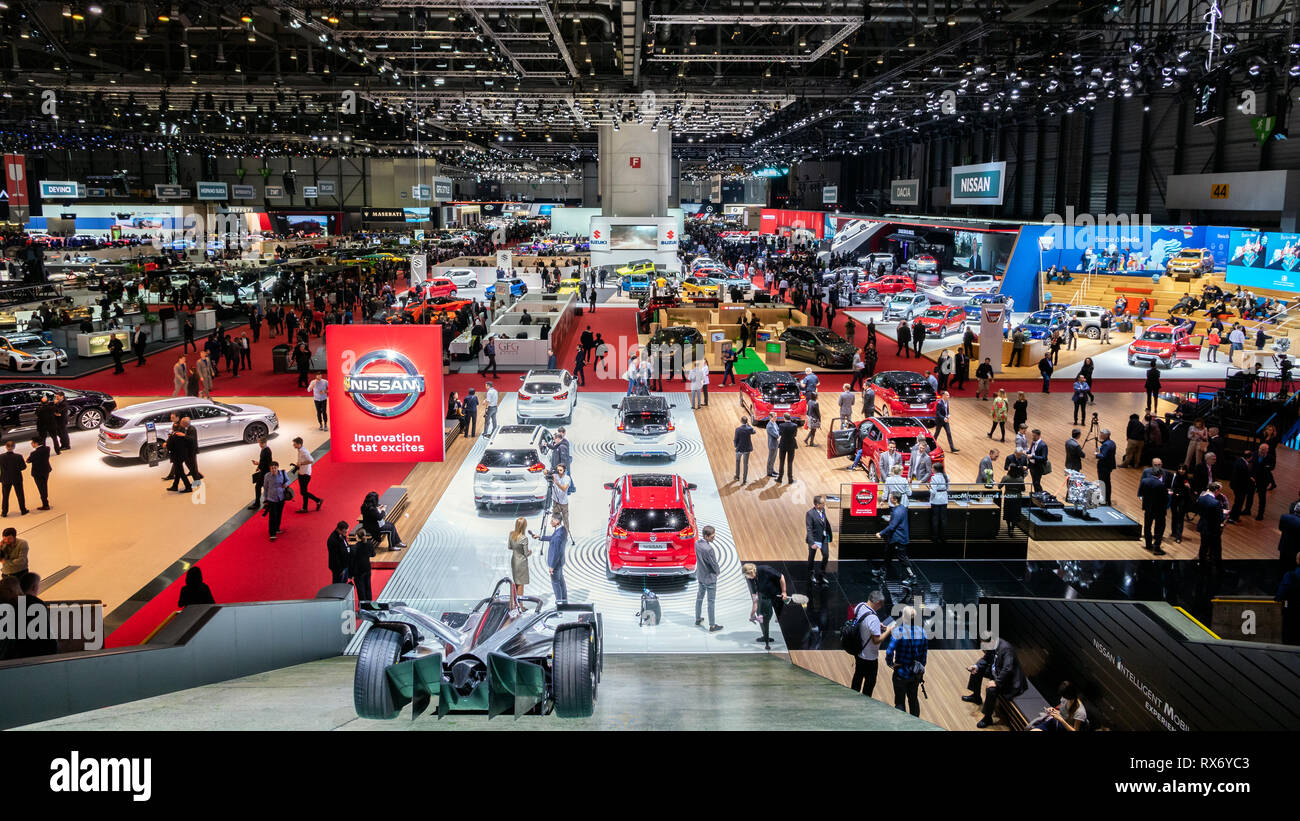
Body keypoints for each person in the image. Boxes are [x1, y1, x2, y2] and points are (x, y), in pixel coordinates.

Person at [962, 638, 1028, 728]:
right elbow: (986, 658)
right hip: (997, 671)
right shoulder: (992, 645)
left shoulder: (1006, 649)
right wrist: (976, 666)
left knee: (991, 689)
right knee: (976, 670)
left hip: (1009, 680)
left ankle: (987, 718)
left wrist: (996, 682)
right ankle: (976, 696)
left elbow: (1008, 669)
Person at [885, 605, 929, 717]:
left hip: (901, 673)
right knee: (913, 699)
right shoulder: (923, 632)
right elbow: (924, 655)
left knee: (900, 702)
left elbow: (889, 651)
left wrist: (890, 663)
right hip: (914, 674)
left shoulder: (898, 631)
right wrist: (919, 667)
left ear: (904, 617)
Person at [849, 591, 893, 696]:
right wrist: (888, 631)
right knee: (870, 683)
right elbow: (876, 640)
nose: (881, 606)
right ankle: (866, 704)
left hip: (858, 650)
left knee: (857, 678)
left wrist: (878, 625)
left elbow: (862, 622)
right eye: (881, 604)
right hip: (869, 657)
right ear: (877, 602)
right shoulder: (873, 618)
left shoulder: (860, 606)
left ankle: (852, 699)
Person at [743, 562, 789, 649]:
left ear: (752, 572)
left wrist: (784, 591)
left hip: (777, 593)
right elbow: (754, 594)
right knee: (764, 617)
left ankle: (777, 618)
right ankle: (765, 636)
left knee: (778, 612)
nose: (747, 578)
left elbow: (781, 577)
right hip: (764, 595)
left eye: (747, 576)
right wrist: (754, 607)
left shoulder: (765, 569)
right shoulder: (750, 578)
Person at [530, 512, 568, 603]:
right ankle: (564, 601)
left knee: (556, 584)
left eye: (552, 520)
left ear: (558, 521)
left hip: (555, 564)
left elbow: (556, 553)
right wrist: (540, 537)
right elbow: (552, 538)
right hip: (560, 562)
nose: (550, 522)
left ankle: (559, 604)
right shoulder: (562, 530)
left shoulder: (558, 536)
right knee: (561, 581)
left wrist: (552, 566)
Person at [693, 525, 723, 632]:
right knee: (711, 602)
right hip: (710, 579)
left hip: (701, 576)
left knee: (699, 598)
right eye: (712, 537)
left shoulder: (696, 543)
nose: (714, 538)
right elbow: (714, 564)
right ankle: (712, 625)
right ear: (706, 536)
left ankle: (697, 618)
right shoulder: (709, 549)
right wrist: (717, 572)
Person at [1138, 462, 1170, 555]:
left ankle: (1148, 544)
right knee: (1159, 527)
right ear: (1160, 474)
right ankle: (1157, 547)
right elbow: (1165, 498)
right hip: (1159, 509)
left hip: (1148, 508)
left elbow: (1142, 493)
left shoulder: (1144, 481)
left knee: (1147, 526)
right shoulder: (1161, 485)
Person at [805, 495, 833, 585]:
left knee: (826, 555)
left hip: (823, 538)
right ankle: (810, 573)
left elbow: (825, 522)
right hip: (814, 538)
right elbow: (809, 529)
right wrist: (812, 542)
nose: (824, 504)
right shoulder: (810, 514)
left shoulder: (823, 510)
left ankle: (822, 573)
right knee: (811, 558)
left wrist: (829, 534)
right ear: (817, 505)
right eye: (822, 503)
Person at [1196, 482, 1226, 565]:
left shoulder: (1201, 498)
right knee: (1216, 549)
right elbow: (1220, 518)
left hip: (1203, 526)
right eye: (1219, 490)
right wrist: (1224, 513)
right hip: (1212, 529)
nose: (1220, 492)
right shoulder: (1216, 503)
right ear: (1216, 490)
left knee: (1203, 547)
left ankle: (1202, 564)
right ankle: (1218, 568)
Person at [291, 437, 323, 513]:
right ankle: (304, 508)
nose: (293, 445)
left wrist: (301, 463)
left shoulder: (304, 452)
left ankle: (318, 500)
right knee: (304, 491)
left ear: (299, 444)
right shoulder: (300, 450)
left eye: (295, 444)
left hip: (305, 474)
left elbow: (311, 460)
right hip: (301, 473)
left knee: (303, 492)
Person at [262, 461, 292, 542]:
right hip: (271, 498)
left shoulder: (283, 473)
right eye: (272, 468)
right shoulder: (267, 476)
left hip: (281, 498)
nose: (273, 469)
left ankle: (277, 528)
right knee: (272, 516)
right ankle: (272, 533)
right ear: (270, 469)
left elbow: (288, 480)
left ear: (278, 467)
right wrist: (265, 500)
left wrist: (286, 484)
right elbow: (265, 488)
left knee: (279, 514)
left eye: (275, 468)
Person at [1275, 552, 1300, 645]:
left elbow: (1281, 594)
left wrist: (1278, 598)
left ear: (1297, 561)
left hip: (1292, 614)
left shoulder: (1290, 576)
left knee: (1290, 643)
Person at [507, 517, 531, 612]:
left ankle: (513, 604)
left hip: (514, 560)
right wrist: (530, 552)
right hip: (521, 563)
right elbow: (526, 553)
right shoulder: (524, 538)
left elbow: (509, 547)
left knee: (516, 583)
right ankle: (520, 606)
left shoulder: (511, 534)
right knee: (520, 585)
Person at [0, 440, 28, 518]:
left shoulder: (1, 457)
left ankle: (4, 512)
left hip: (5, 479)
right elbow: (23, 467)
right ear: (14, 447)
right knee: (20, 495)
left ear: (6, 447)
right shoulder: (18, 456)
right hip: (17, 478)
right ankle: (23, 510)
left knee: (5, 496)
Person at [548, 464, 574, 540]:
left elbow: (564, 489)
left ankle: (565, 536)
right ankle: (557, 534)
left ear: (564, 470)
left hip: (563, 503)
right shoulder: (554, 476)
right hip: (555, 501)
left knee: (565, 520)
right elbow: (544, 472)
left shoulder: (567, 478)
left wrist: (556, 483)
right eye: (558, 470)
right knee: (555, 519)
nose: (559, 472)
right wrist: (548, 472)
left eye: (561, 470)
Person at [349, 532, 375, 603]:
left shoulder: (354, 548)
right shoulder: (369, 544)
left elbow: (351, 562)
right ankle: (369, 604)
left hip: (358, 571)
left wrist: (350, 574)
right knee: (368, 587)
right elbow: (373, 554)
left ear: (357, 537)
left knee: (361, 590)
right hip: (367, 568)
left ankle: (363, 607)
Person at [1253, 443, 1276, 521]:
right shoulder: (1254, 454)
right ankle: (1247, 510)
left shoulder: (1270, 458)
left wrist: (1266, 468)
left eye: (1263, 449)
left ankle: (1260, 514)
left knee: (1262, 498)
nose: (1261, 451)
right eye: (1260, 449)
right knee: (1249, 495)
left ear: (1267, 450)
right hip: (1253, 478)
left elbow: (1272, 467)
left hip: (1263, 480)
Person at [26, 438, 50, 510]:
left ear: (36, 443)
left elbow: (28, 460)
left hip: (37, 473)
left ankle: (45, 504)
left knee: (41, 488)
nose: (31, 444)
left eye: (32, 442)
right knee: (44, 486)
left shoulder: (34, 453)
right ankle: (45, 502)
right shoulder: (47, 448)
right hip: (46, 470)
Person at [929, 463, 950, 547]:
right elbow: (948, 488)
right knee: (943, 520)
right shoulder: (946, 476)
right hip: (944, 500)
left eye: (932, 468)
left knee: (935, 520)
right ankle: (943, 537)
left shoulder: (934, 478)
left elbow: (933, 491)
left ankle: (935, 538)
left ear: (935, 469)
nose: (931, 469)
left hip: (936, 500)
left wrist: (929, 488)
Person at [733, 415, 755, 484]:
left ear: (741, 421)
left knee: (737, 462)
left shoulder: (738, 429)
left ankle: (737, 476)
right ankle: (744, 480)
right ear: (746, 422)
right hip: (747, 449)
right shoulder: (749, 429)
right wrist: (749, 426)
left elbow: (735, 439)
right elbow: (754, 431)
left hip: (739, 448)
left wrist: (736, 446)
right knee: (746, 464)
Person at [1027, 429, 1048, 493]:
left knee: (1036, 483)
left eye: (1034, 436)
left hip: (1038, 467)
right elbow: (1031, 451)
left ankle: (1040, 494)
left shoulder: (1043, 445)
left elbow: (1044, 458)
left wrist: (1032, 456)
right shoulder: (1033, 443)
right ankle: (1037, 494)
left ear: (1039, 436)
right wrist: (1026, 452)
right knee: (1034, 482)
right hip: (1032, 465)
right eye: (1032, 436)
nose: (1033, 437)